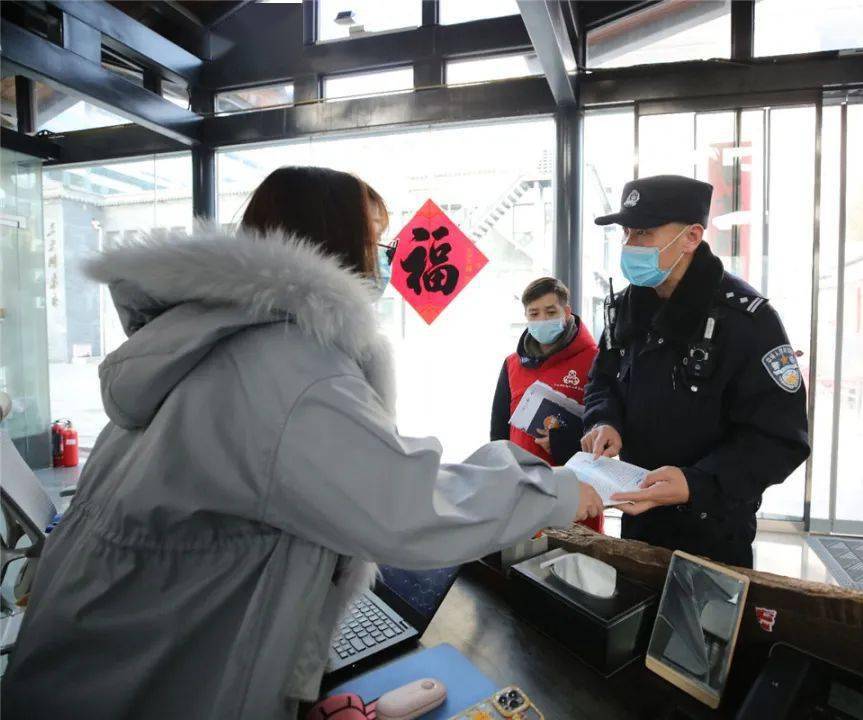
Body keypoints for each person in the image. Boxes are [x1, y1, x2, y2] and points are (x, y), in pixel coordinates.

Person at [2, 166, 604, 720]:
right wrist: (560, 490)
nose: (385, 262)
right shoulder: (285, 367)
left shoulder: (207, 341)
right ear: (332, 244)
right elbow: (408, 506)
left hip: (90, 665)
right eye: (374, 243)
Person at [581, 174, 810, 568]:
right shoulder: (625, 310)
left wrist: (697, 483)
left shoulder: (746, 320)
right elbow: (602, 379)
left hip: (713, 524)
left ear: (690, 238)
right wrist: (604, 420)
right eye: (627, 233)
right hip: (639, 514)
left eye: (644, 233)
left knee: (703, 627)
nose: (629, 246)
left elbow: (780, 438)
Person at [490, 277, 602, 532]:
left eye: (550, 312)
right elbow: (498, 433)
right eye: (534, 313)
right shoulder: (512, 365)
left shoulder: (595, 360)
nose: (542, 320)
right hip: (524, 491)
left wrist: (564, 442)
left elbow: (608, 429)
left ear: (566, 311)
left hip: (576, 496)